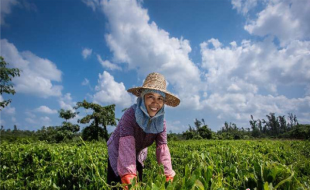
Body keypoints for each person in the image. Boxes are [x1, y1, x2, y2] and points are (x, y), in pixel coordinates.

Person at [106, 72, 180, 188]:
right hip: (119, 150)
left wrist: (168, 175)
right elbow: (126, 146)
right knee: (118, 183)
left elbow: (162, 149)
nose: (155, 102)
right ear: (143, 97)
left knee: (139, 182)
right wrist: (128, 178)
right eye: (151, 96)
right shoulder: (130, 116)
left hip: (139, 152)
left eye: (160, 98)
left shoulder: (161, 123)